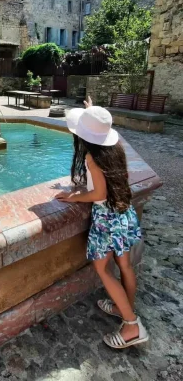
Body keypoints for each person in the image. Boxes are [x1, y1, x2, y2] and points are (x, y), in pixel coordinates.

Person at [56, 105, 148, 349]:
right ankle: (124, 307)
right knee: (125, 265)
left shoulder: (92, 157)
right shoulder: (114, 147)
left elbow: (99, 192)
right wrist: (92, 110)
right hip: (123, 211)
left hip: (106, 219)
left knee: (102, 269)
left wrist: (73, 197)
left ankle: (131, 326)